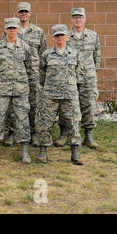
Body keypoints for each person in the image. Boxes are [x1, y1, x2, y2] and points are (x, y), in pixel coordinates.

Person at [0, 17, 38, 164]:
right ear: (5, 29)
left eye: (14, 28)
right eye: (9, 28)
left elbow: (30, 68)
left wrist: (31, 86)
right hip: (1, 88)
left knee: (22, 118)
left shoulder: (25, 47)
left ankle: (24, 151)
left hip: (20, 89)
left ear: (18, 29)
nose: (12, 31)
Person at [2, 2, 47, 147]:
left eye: (26, 11)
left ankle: (33, 133)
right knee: (11, 105)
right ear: (17, 13)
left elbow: (42, 54)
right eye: (21, 11)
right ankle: (10, 132)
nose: (23, 14)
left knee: (34, 104)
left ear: (30, 13)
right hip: (13, 74)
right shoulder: (10, 30)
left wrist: (39, 74)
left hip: (32, 74)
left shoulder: (38, 32)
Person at [38, 24, 83, 165]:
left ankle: (75, 153)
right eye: (57, 35)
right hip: (50, 95)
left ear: (67, 36)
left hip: (69, 95)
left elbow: (79, 73)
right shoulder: (46, 54)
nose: (60, 38)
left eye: (62, 35)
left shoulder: (75, 54)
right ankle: (43, 151)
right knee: (45, 123)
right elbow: (41, 74)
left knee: (73, 123)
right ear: (53, 37)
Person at [56, 8, 101, 149]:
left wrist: (91, 72)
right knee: (65, 107)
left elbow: (97, 57)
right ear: (71, 19)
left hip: (88, 78)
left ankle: (88, 135)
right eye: (75, 17)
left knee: (88, 106)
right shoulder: (65, 35)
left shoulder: (93, 35)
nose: (77, 20)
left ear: (85, 19)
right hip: (69, 78)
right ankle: (64, 133)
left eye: (80, 17)